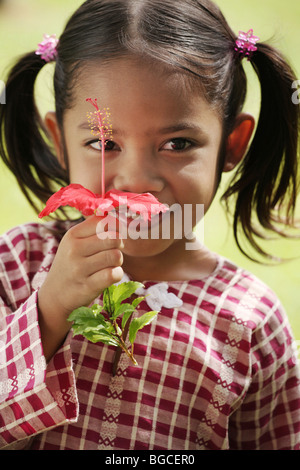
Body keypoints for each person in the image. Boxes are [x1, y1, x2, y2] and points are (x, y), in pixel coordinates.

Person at [0, 0, 299, 451]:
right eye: (104, 143)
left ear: (231, 144)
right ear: (61, 143)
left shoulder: (252, 320)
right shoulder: (17, 264)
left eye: (177, 143)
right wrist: (50, 309)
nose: (137, 179)